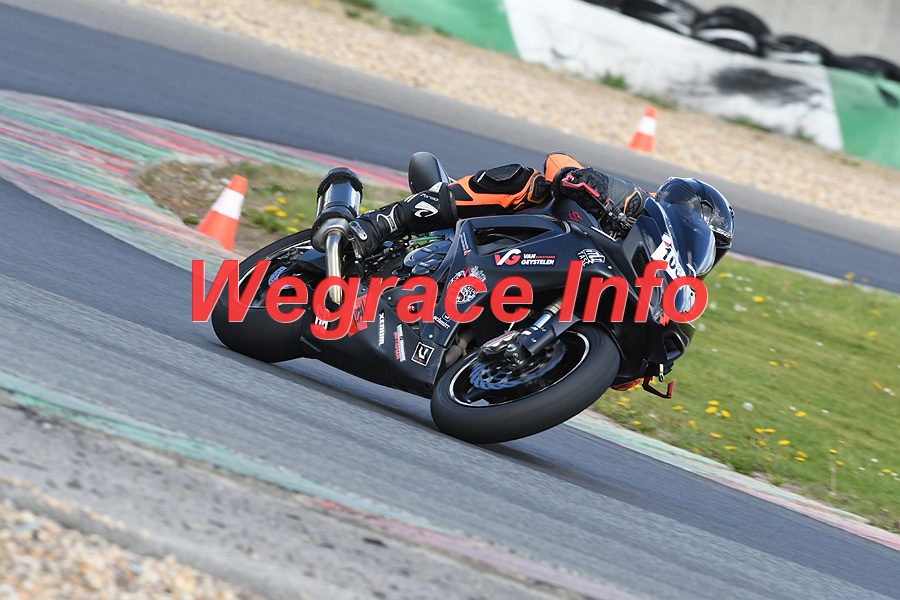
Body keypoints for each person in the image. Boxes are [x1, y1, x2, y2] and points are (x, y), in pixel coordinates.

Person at [315, 152, 733, 265]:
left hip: (545, 291)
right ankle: (384, 222)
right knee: (527, 182)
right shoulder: (635, 204)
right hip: (511, 236)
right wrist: (579, 180)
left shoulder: (665, 286)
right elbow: (559, 161)